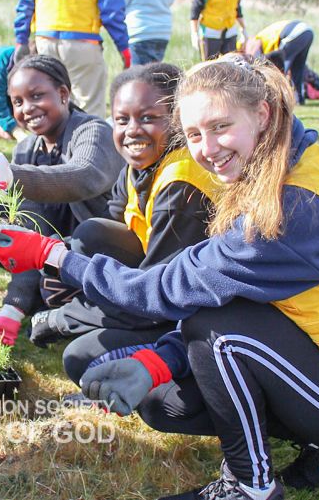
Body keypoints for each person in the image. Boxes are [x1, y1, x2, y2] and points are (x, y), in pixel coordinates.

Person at [0, 55, 319, 500]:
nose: (207, 149)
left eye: (220, 127)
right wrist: (157, 362)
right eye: (195, 134)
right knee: (166, 403)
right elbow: (234, 299)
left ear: (262, 113)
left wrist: (52, 253)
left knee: (214, 331)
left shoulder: (292, 210)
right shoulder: (282, 163)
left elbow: (163, 289)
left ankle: (250, 485)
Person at [27, 64, 217, 382]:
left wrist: (67, 318)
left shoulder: (182, 184)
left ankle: (171, 358)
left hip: (189, 309)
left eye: (148, 118)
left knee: (81, 359)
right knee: (89, 235)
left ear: (178, 120)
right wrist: (62, 269)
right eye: (121, 119)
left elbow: (159, 294)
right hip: (152, 285)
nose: (132, 130)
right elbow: (105, 232)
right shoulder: (138, 166)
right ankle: (109, 322)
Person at [0, 54, 124, 346]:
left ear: (63, 94)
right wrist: (12, 307)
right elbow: (28, 230)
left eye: (37, 96)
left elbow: (84, 176)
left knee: (84, 240)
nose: (27, 108)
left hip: (103, 252)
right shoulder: (26, 149)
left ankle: (78, 296)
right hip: (55, 248)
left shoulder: (93, 131)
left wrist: (15, 176)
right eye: (17, 102)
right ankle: (40, 294)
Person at [248, 20, 314, 104]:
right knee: (298, 67)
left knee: (281, 68)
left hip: (295, 33)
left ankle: (279, 97)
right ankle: (299, 99)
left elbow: (254, 56)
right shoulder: (265, 36)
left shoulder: (257, 39)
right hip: (308, 32)